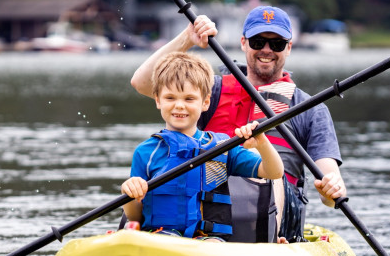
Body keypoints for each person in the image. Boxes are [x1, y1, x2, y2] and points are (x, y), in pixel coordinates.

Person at [130, 6, 346, 243]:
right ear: (243, 43)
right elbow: (141, 83)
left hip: (276, 215)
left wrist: (331, 190)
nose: (266, 50)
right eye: (258, 41)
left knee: (256, 157)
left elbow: (329, 187)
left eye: (276, 44)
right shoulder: (208, 91)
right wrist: (187, 39)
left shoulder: (310, 109)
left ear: (289, 47)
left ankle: (267, 243)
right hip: (203, 209)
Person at [121, 51, 285, 242]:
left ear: (205, 102)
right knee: (166, 239)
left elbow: (274, 172)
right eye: (170, 98)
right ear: (158, 100)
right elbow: (134, 216)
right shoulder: (146, 153)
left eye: (189, 99)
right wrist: (129, 193)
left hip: (210, 241)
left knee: (213, 244)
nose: (179, 106)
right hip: (161, 238)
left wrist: (262, 143)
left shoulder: (223, 147)